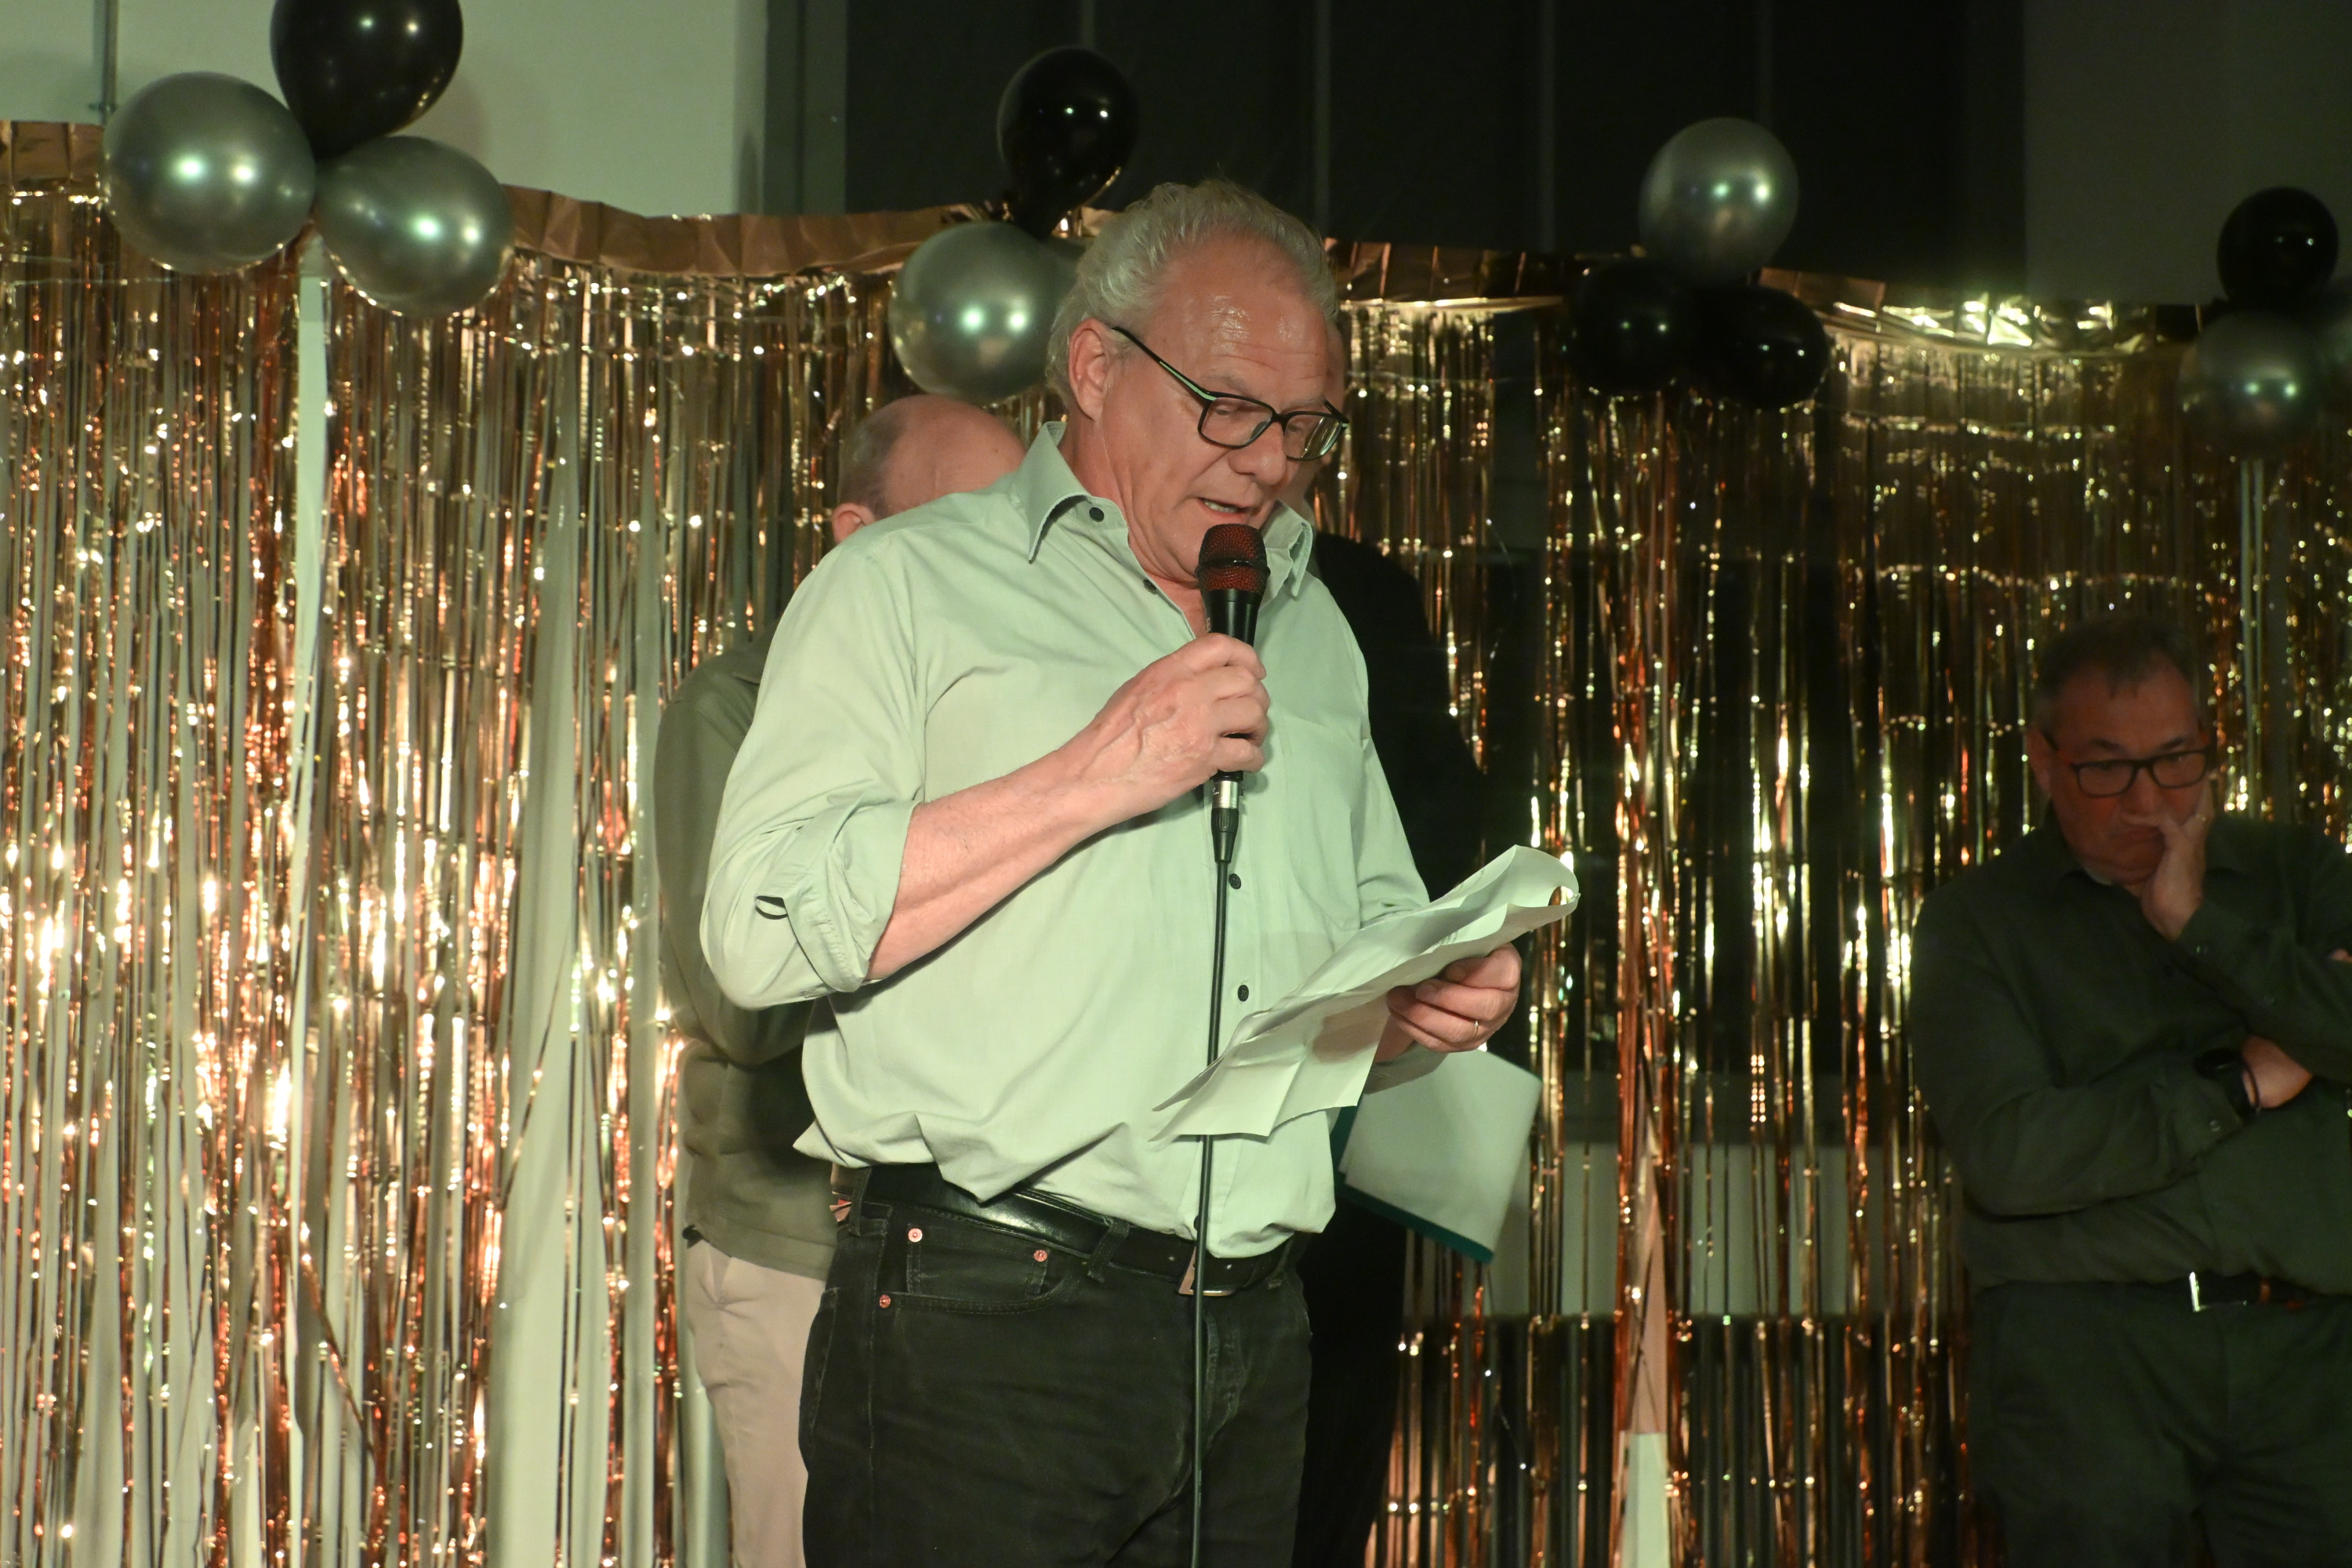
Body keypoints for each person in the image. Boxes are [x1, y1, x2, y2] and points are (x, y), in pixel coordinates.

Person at [702, 179, 1524, 1567]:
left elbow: (1345, 962)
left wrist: (1422, 1002)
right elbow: (759, 929)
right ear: (1094, 367)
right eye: (1230, 408)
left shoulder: (1316, 625)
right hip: (985, 1325)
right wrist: (1098, 768)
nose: (1267, 464)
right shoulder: (903, 585)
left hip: (1254, 1333)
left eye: (1305, 426)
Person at [655, 393, 1026, 1568]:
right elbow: (747, 1007)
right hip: (796, 1254)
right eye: (965, 527)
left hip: (976, 1258)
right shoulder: (736, 708)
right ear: (858, 536)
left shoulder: (1019, 728)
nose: (1009, 565)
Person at [1909, 612, 2352, 1568]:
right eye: (2107, 768)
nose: (2149, 799)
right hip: (2089, 1353)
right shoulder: (1976, 922)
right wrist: (2239, 1084)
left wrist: (2198, 922)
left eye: (2177, 760)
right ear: (2044, 760)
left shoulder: (2296, 874)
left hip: (2309, 1347)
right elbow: (2013, 1154)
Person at [1290, 529, 1485, 1568]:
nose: (1262, 460)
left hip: (1347, 1088)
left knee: (1331, 1417)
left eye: (1299, 444)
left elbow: (1446, 812)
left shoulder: (1361, 592)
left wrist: (1422, 957)